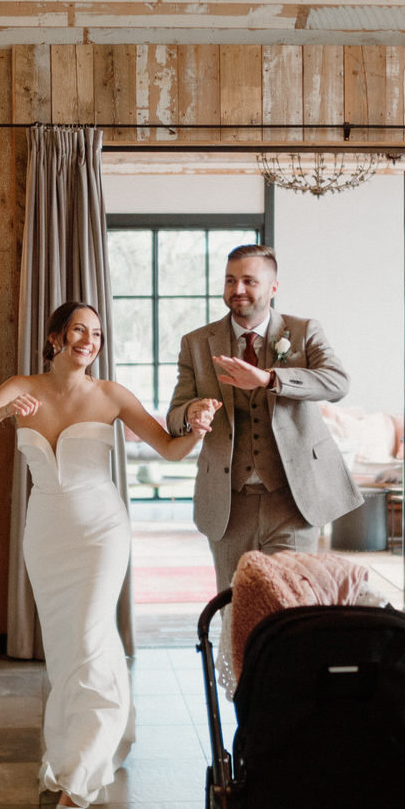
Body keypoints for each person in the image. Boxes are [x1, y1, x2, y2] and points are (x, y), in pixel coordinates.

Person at [0, 302, 216, 809]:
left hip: (101, 531)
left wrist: (198, 429)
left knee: (92, 638)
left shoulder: (111, 395)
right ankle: (100, 742)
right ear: (55, 337)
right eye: (78, 330)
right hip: (46, 533)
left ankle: (80, 776)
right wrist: (7, 412)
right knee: (70, 651)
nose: (89, 340)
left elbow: (169, 449)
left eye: (96, 333)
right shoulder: (20, 386)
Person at [166, 244, 362, 592]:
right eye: (230, 280)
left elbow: (338, 382)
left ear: (273, 287)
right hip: (229, 502)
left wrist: (271, 379)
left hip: (294, 497)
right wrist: (191, 413)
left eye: (248, 281)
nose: (237, 289)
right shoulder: (196, 343)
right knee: (234, 607)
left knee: (292, 605)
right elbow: (175, 415)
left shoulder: (303, 332)